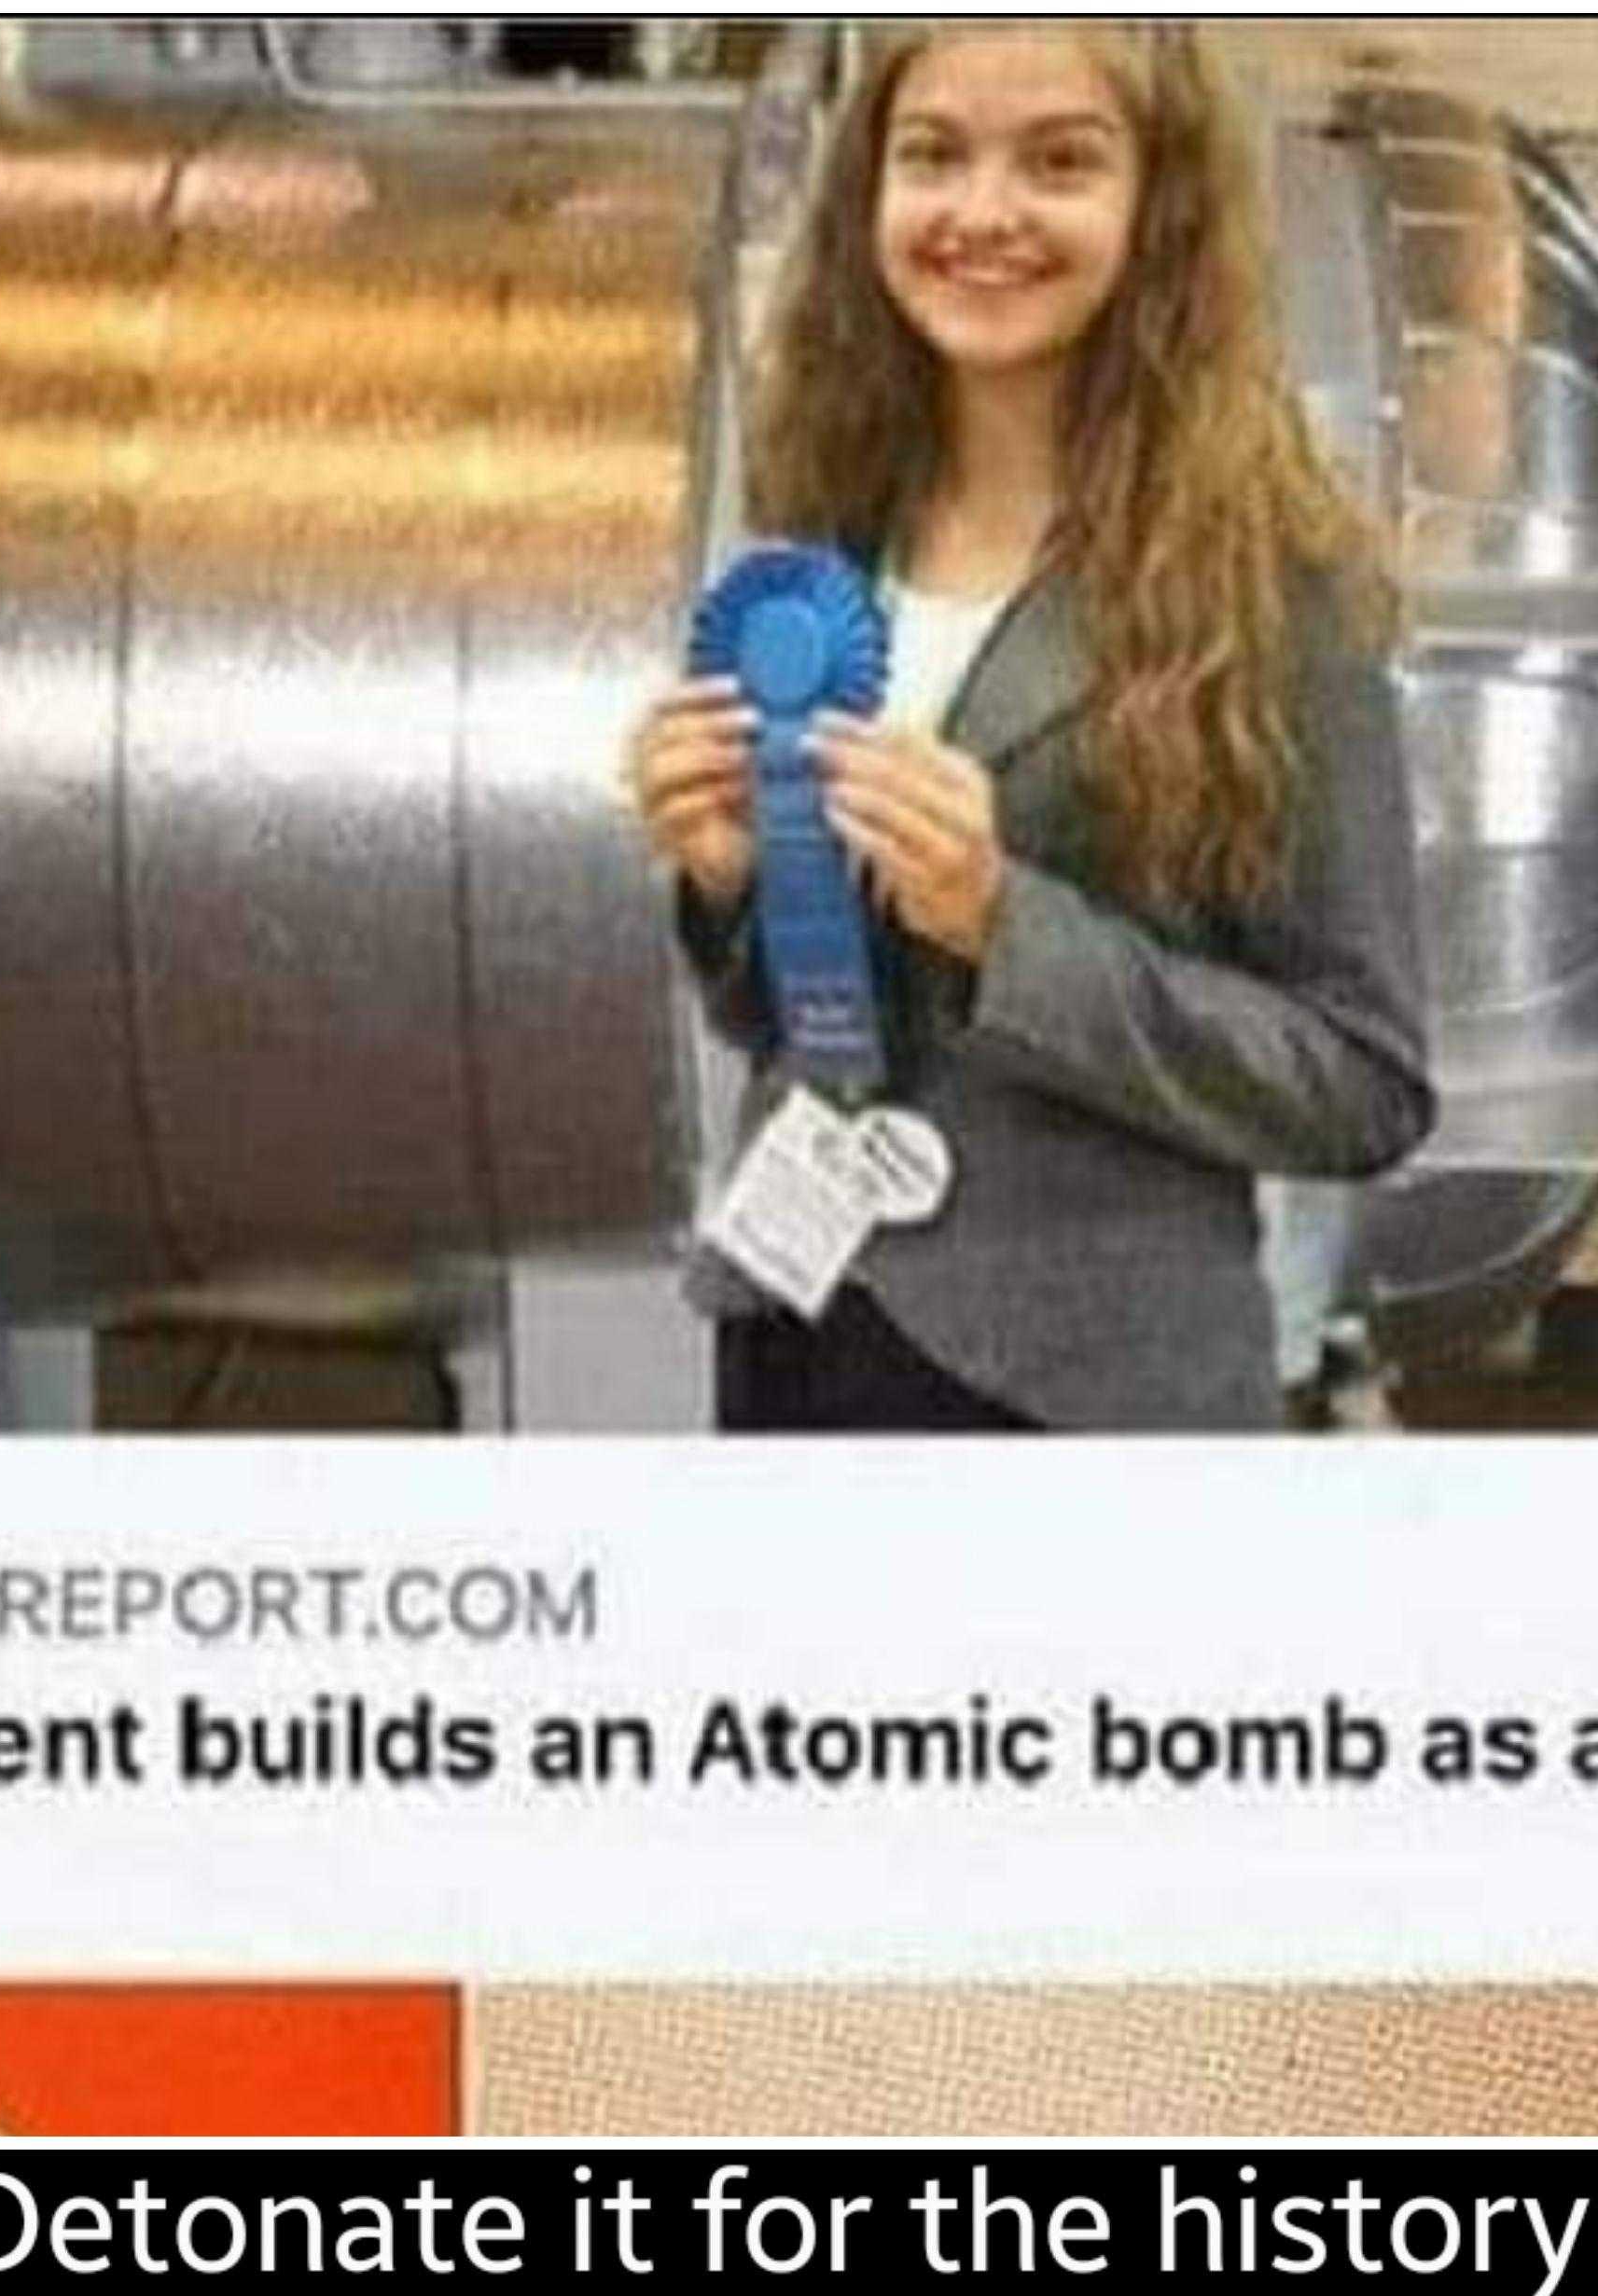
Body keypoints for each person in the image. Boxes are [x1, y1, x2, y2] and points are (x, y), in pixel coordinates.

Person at [630, 22, 1433, 1432]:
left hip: (1084, 1405)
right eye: (933, 155)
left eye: (1060, 161)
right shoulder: (827, 521)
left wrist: (1009, 927)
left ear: (1160, 203)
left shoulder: (1280, 574)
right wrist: (730, 883)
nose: (983, 212)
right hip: (795, 1331)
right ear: (866, 185)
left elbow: (1363, 1081)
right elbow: (808, 1024)